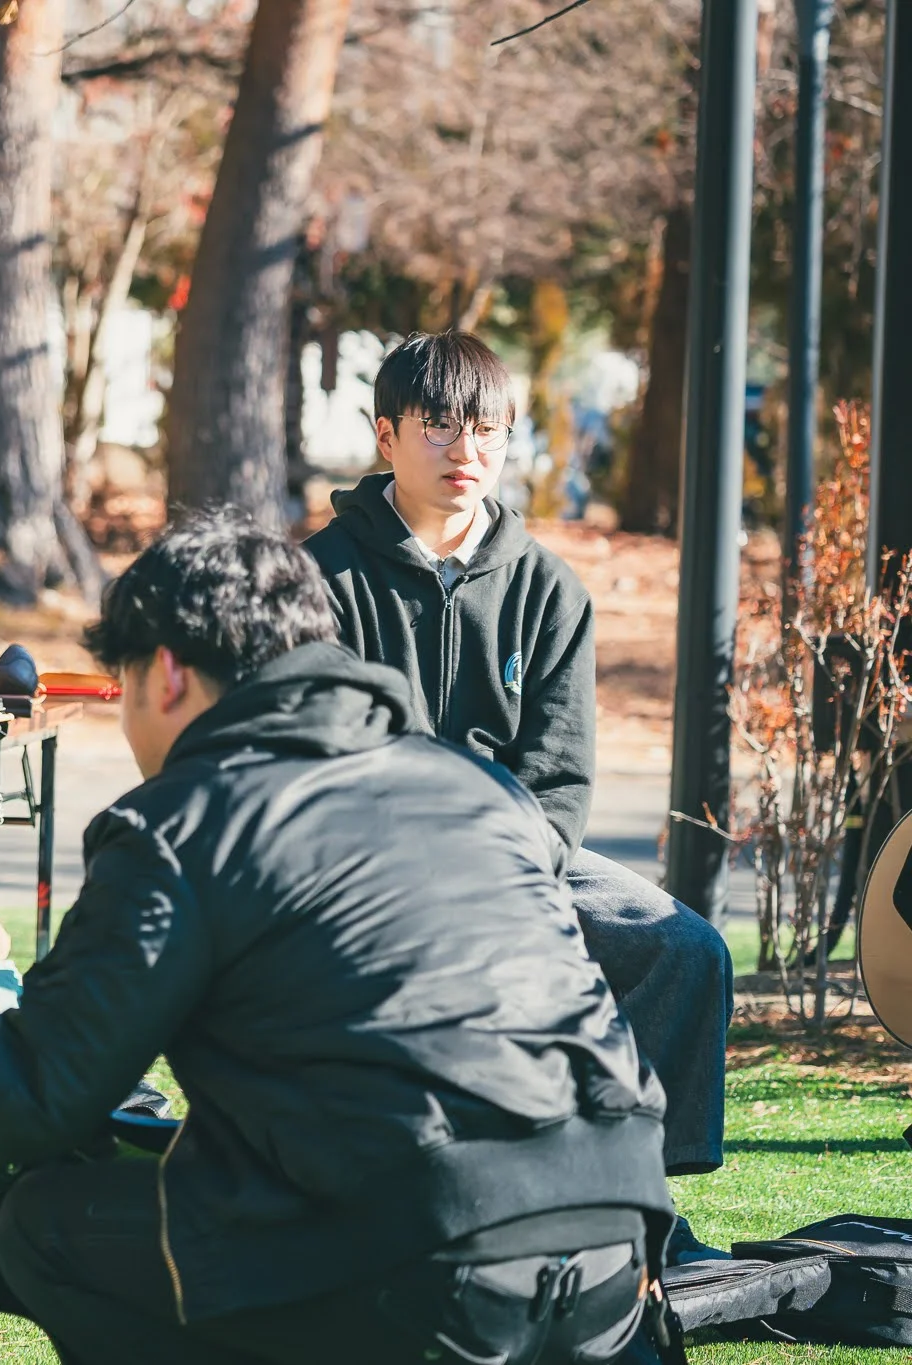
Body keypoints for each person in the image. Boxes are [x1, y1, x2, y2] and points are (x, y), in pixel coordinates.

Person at [0, 510, 674, 1365]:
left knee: (43, 1225)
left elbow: (30, 1095)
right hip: (617, 1258)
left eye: (124, 683)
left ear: (169, 671)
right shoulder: (482, 790)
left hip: (433, 1272)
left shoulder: (182, 822)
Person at [301, 331, 733, 1245]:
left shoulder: (549, 588)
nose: (469, 452)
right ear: (387, 438)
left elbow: (561, 778)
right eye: (442, 428)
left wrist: (507, 876)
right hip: (378, 869)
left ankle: (634, 1205)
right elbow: (318, 759)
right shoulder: (321, 581)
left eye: (489, 431)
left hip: (521, 864)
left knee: (684, 947)